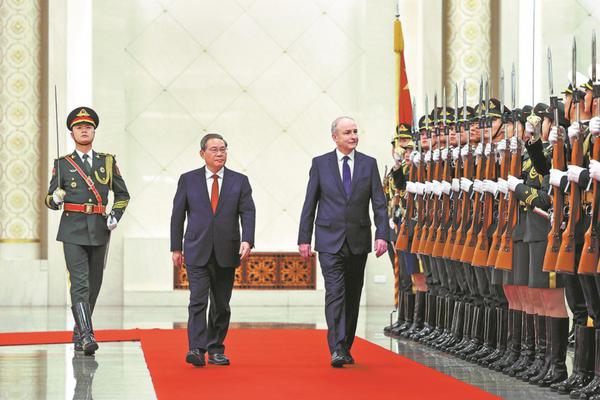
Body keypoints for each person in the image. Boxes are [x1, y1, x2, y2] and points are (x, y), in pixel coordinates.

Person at [298, 116, 388, 368]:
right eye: (347, 132)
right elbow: (310, 203)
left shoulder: (369, 164)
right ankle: (337, 348)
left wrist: (382, 234)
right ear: (335, 137)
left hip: (358, 239)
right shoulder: (320, 164)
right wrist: (304, 238)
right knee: (335, 292)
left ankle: (346, 345)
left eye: (355, 131)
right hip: (329, 240)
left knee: (352, 295)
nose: (353, 136)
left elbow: (379, 204)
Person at [45, 107, 130, 356]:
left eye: (88, 127)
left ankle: (79, 331)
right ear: (72, 133)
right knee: (79, 283)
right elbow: (49, 200)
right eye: (79, 127)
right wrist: (56, 199)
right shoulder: (62, 164)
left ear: (94, 132)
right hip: (72, 230)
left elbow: (123, 195)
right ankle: (87, 335)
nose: (84, 130)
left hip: (100, 229)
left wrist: (114, 215)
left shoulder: (107, 161)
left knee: (94, 283)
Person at [170, 133, 255, 367]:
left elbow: (248, 212)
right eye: (214, 150)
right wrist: (176, 247)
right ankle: (196, 349)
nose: (220, 154)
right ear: (202, 153)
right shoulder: (188, 180)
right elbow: (177, 215)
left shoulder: (240, 181)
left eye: (223, 149)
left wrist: (247, 239)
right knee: (197, 300)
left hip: (227, 250)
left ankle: (216, 349)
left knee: (221, 304)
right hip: (196, 248)